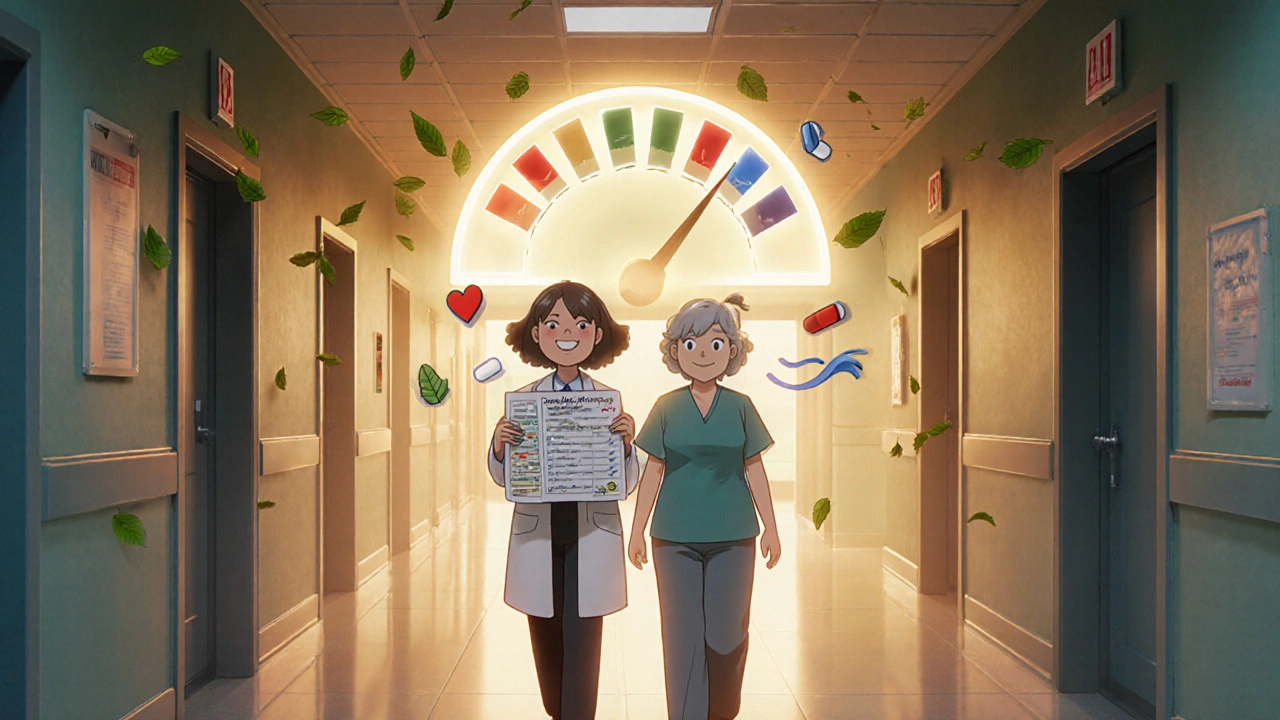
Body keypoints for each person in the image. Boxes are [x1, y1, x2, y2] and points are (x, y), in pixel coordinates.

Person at [487, 281, 639, 720]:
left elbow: (625, 483)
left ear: (596, 334)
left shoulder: (606, 404)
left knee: (585, 631)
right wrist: (500, 446)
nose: (566, 333)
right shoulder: (525, 403)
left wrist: (627, 445)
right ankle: (559, 710)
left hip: (590, 533)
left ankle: (577, 714)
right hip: (540, 533)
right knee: (545, 631)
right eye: (553, 323)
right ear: (536, 333)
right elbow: (504, 478)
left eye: (580, 324)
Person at [626, 293, 782, 720]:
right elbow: (653, 471)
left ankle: (722, 712)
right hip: (673, 538)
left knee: (728, 633)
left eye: (715, 343)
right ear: (675, 351)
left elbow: (755, 470)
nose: (702, 354)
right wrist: (637, 530)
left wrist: (771, 526)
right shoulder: (666, 407)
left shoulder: (740, 407)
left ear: (732, 350)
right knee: (681, 635)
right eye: (690, 344)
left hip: (734, 537)